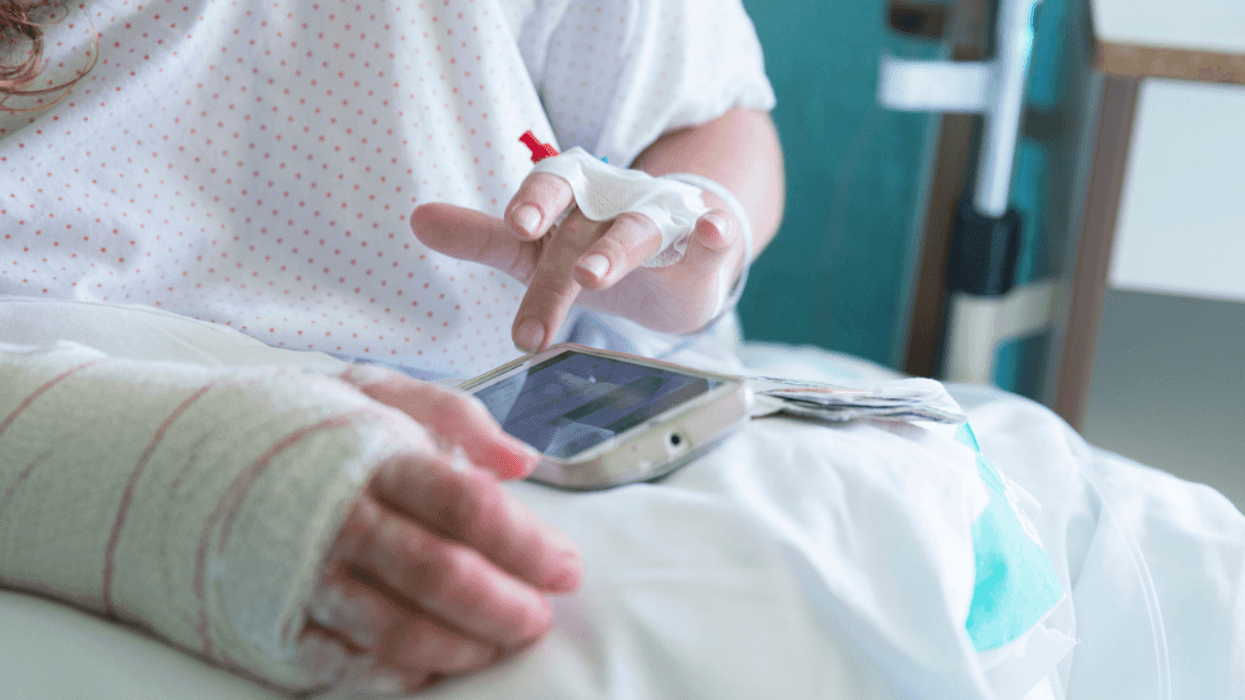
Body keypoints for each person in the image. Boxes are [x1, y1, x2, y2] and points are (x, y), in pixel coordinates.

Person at [0, 0, 783, 692]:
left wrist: (690, 229)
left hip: (516, 419)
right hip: (85, 430)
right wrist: (187, 477)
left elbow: (709, 112)